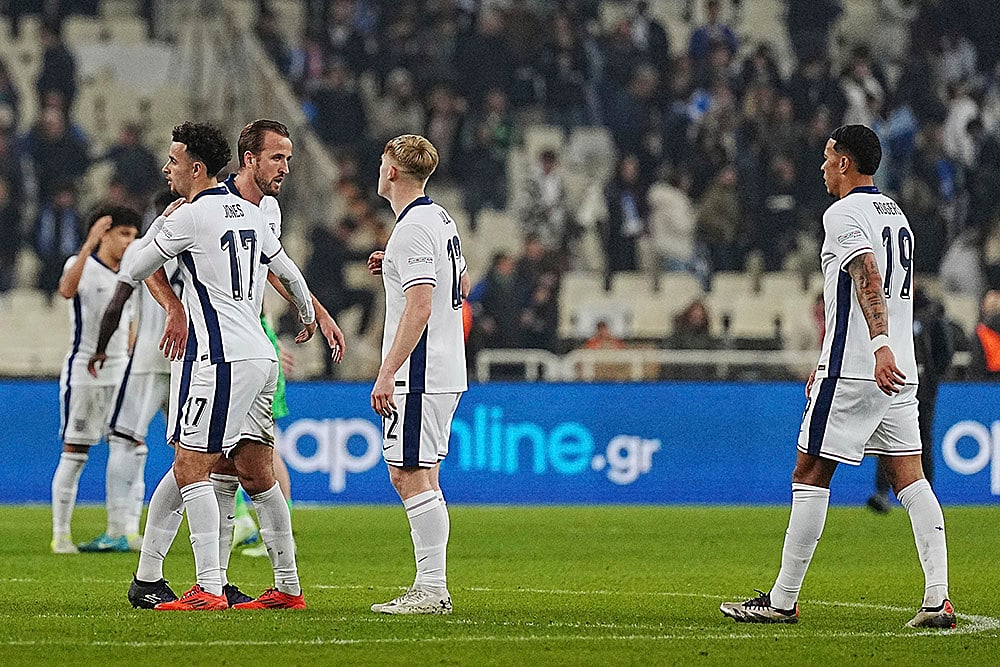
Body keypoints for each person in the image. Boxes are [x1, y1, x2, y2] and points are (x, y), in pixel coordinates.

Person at [720, 125, 955, 629]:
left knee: (810, 474)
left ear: (846, 162)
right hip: (897, 369)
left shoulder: (842, 213)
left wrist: (876, 348)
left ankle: (782, 601)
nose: (823, 167)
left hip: (861, 367)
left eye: (828, 158)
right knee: (909, 478)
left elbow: (866, 276)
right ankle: (938, 598)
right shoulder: (896, 215)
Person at [120, 119, 345, 609]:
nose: (167, 169)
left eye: (174, 161)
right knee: (254, 472)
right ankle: (287, 586)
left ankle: (207, 588)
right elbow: (284, 267)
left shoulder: (191, 214)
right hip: (261, 353)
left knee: (189, 465)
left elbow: (132, 267)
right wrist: (307, 315)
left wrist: (162, 224)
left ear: (196, 168)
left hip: (221, 358)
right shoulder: (250, 213)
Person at [367, 135, 468, 615]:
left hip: (420, 372)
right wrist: (393, 264)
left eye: (382, 164)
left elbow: (421, 304)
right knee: (422, 474)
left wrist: (386, 372)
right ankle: (432, 586)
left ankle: (431, 590)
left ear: (392, 173)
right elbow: (459, 283)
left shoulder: (410, 229)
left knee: (408, 475)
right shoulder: (439, 218)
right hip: (446, 367)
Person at [50, 207, 140, 554]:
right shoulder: (81, 264)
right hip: (84, 373)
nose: (130, 242)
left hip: (122, 373)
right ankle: (61, 534)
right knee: (75, 452)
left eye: (134, 235)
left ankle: (125, 529)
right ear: (104, 234)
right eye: (123, 234)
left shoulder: (133, 272)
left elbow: (130, 322)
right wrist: (87, 246)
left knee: (132, 449)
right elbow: (65, 291)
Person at [867, 288, 955, 513]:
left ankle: (925, 494)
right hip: (894, 382)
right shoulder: (889, 308)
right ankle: (882, 493)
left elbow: (945, 349)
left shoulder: (930, 314)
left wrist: (932, 375)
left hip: (923, 387)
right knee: (887, 436)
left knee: (922, 437)